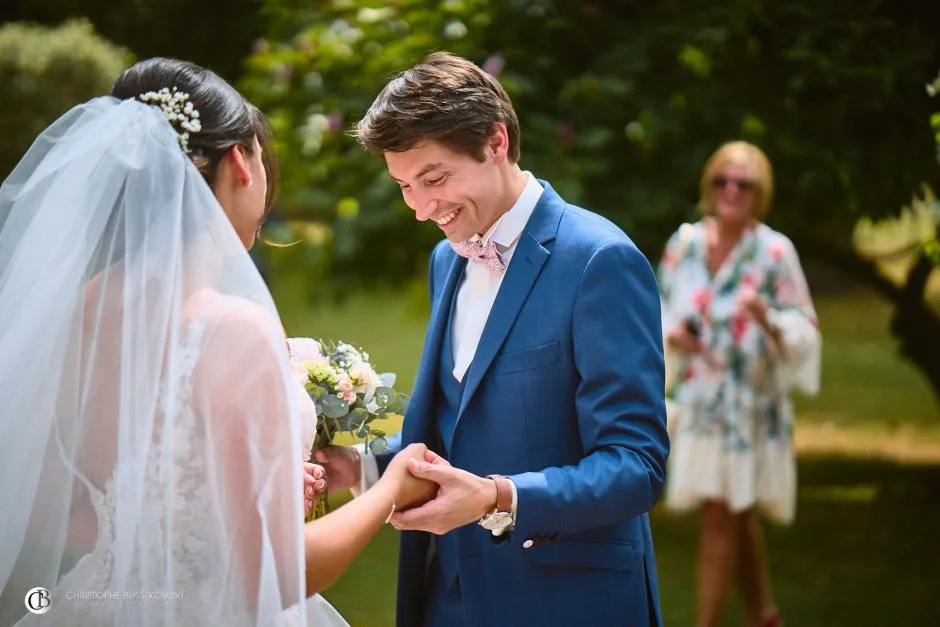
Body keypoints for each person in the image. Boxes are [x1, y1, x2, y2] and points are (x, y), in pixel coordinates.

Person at [0, 57, 433, 627]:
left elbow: (60, 513)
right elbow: (276, 577)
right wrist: (390, 488)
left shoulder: (86, 309)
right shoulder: (232, 328)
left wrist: (228, 502)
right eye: (259, 154)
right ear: (239, 162)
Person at [318, 52, 669, 627]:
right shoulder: (444, 259)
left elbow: (637, 466)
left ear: (496, 141)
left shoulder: (599, 261)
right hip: (446, 598)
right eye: (405, 186)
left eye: (434, 179)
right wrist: (361, 470)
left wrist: (498, 497)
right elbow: (461, 430)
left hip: (566, 604)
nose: (421, 208)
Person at [657, 141, 821, 627]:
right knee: (734, 508)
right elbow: (658, 310)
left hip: (751, 408)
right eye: (723, 180)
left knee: (721, 515)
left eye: (743, 183)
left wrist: (768, 318)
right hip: (701, 402)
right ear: (709, 186)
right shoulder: (683, 244)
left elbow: (805, 329)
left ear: (759, 193)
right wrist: (674, 335)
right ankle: (763, 613)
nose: (731, 190)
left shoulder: (774, 252)